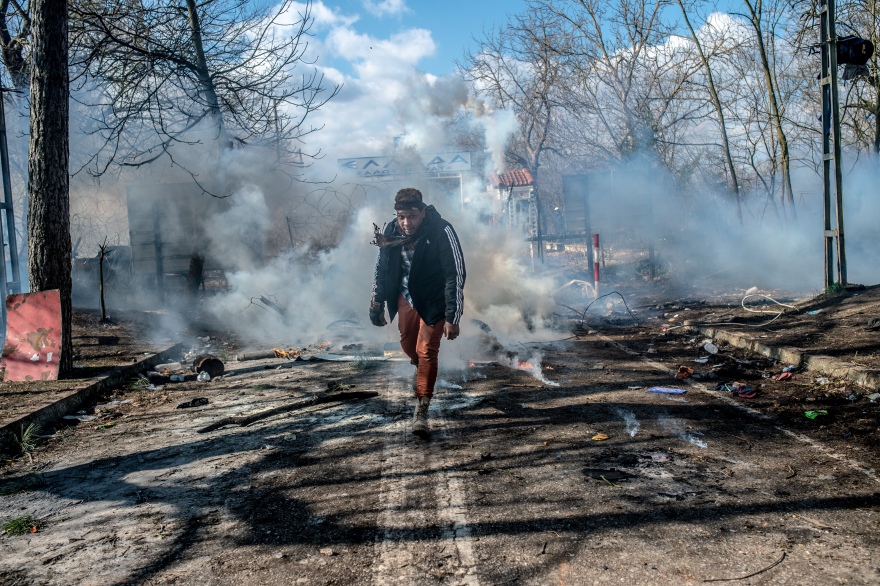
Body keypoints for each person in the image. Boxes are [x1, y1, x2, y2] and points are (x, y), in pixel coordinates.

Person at [369, 187, 466, 437]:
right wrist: (377, 302)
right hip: (405, 295)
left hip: (434, 298)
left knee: (427, 351)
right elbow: (382, 269)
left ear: (423, 212)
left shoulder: (441, 230)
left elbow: (455, 273)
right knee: (408, 344)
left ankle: (421, 409)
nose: (406, 223)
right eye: (401, 217)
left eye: (412, 216)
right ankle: (421, 366)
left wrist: (453, 317)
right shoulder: (391, 231)